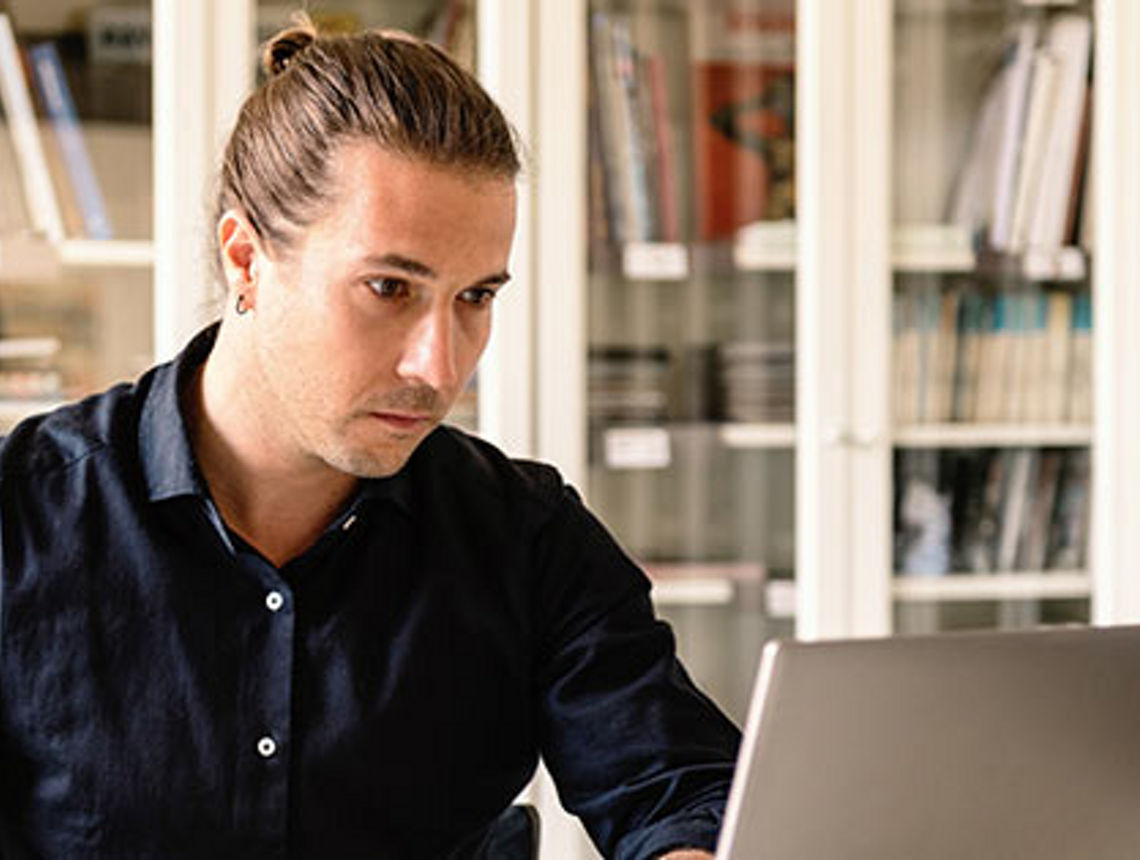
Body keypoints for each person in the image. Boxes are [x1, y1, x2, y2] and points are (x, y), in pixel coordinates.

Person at [0, 20, 740, 860]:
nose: (438, 365)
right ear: (245, 261)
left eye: (475, 298)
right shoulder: (22, 518)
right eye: (390, 288)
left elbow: (678, 792)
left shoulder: (527, 536)